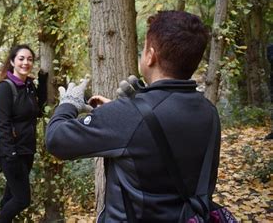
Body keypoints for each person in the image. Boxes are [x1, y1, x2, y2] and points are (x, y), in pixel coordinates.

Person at [46, 11, 220, 222]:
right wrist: (132, 109)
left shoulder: (129, 117)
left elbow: (56, 139)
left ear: (151, 55)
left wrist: (68, 104)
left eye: (143, 48)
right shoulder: (209, 112)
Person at [0, 44, 47, 222]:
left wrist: (43, 82)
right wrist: (11, 154)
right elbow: (3, 125)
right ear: (12, 62)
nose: (26, 63)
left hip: (27, 150)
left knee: (10, 197)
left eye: (30, 59)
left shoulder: (29, 86)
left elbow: (39, 110)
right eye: (21, 59)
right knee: (22, 199)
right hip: (12, 153)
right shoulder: (5, 88)